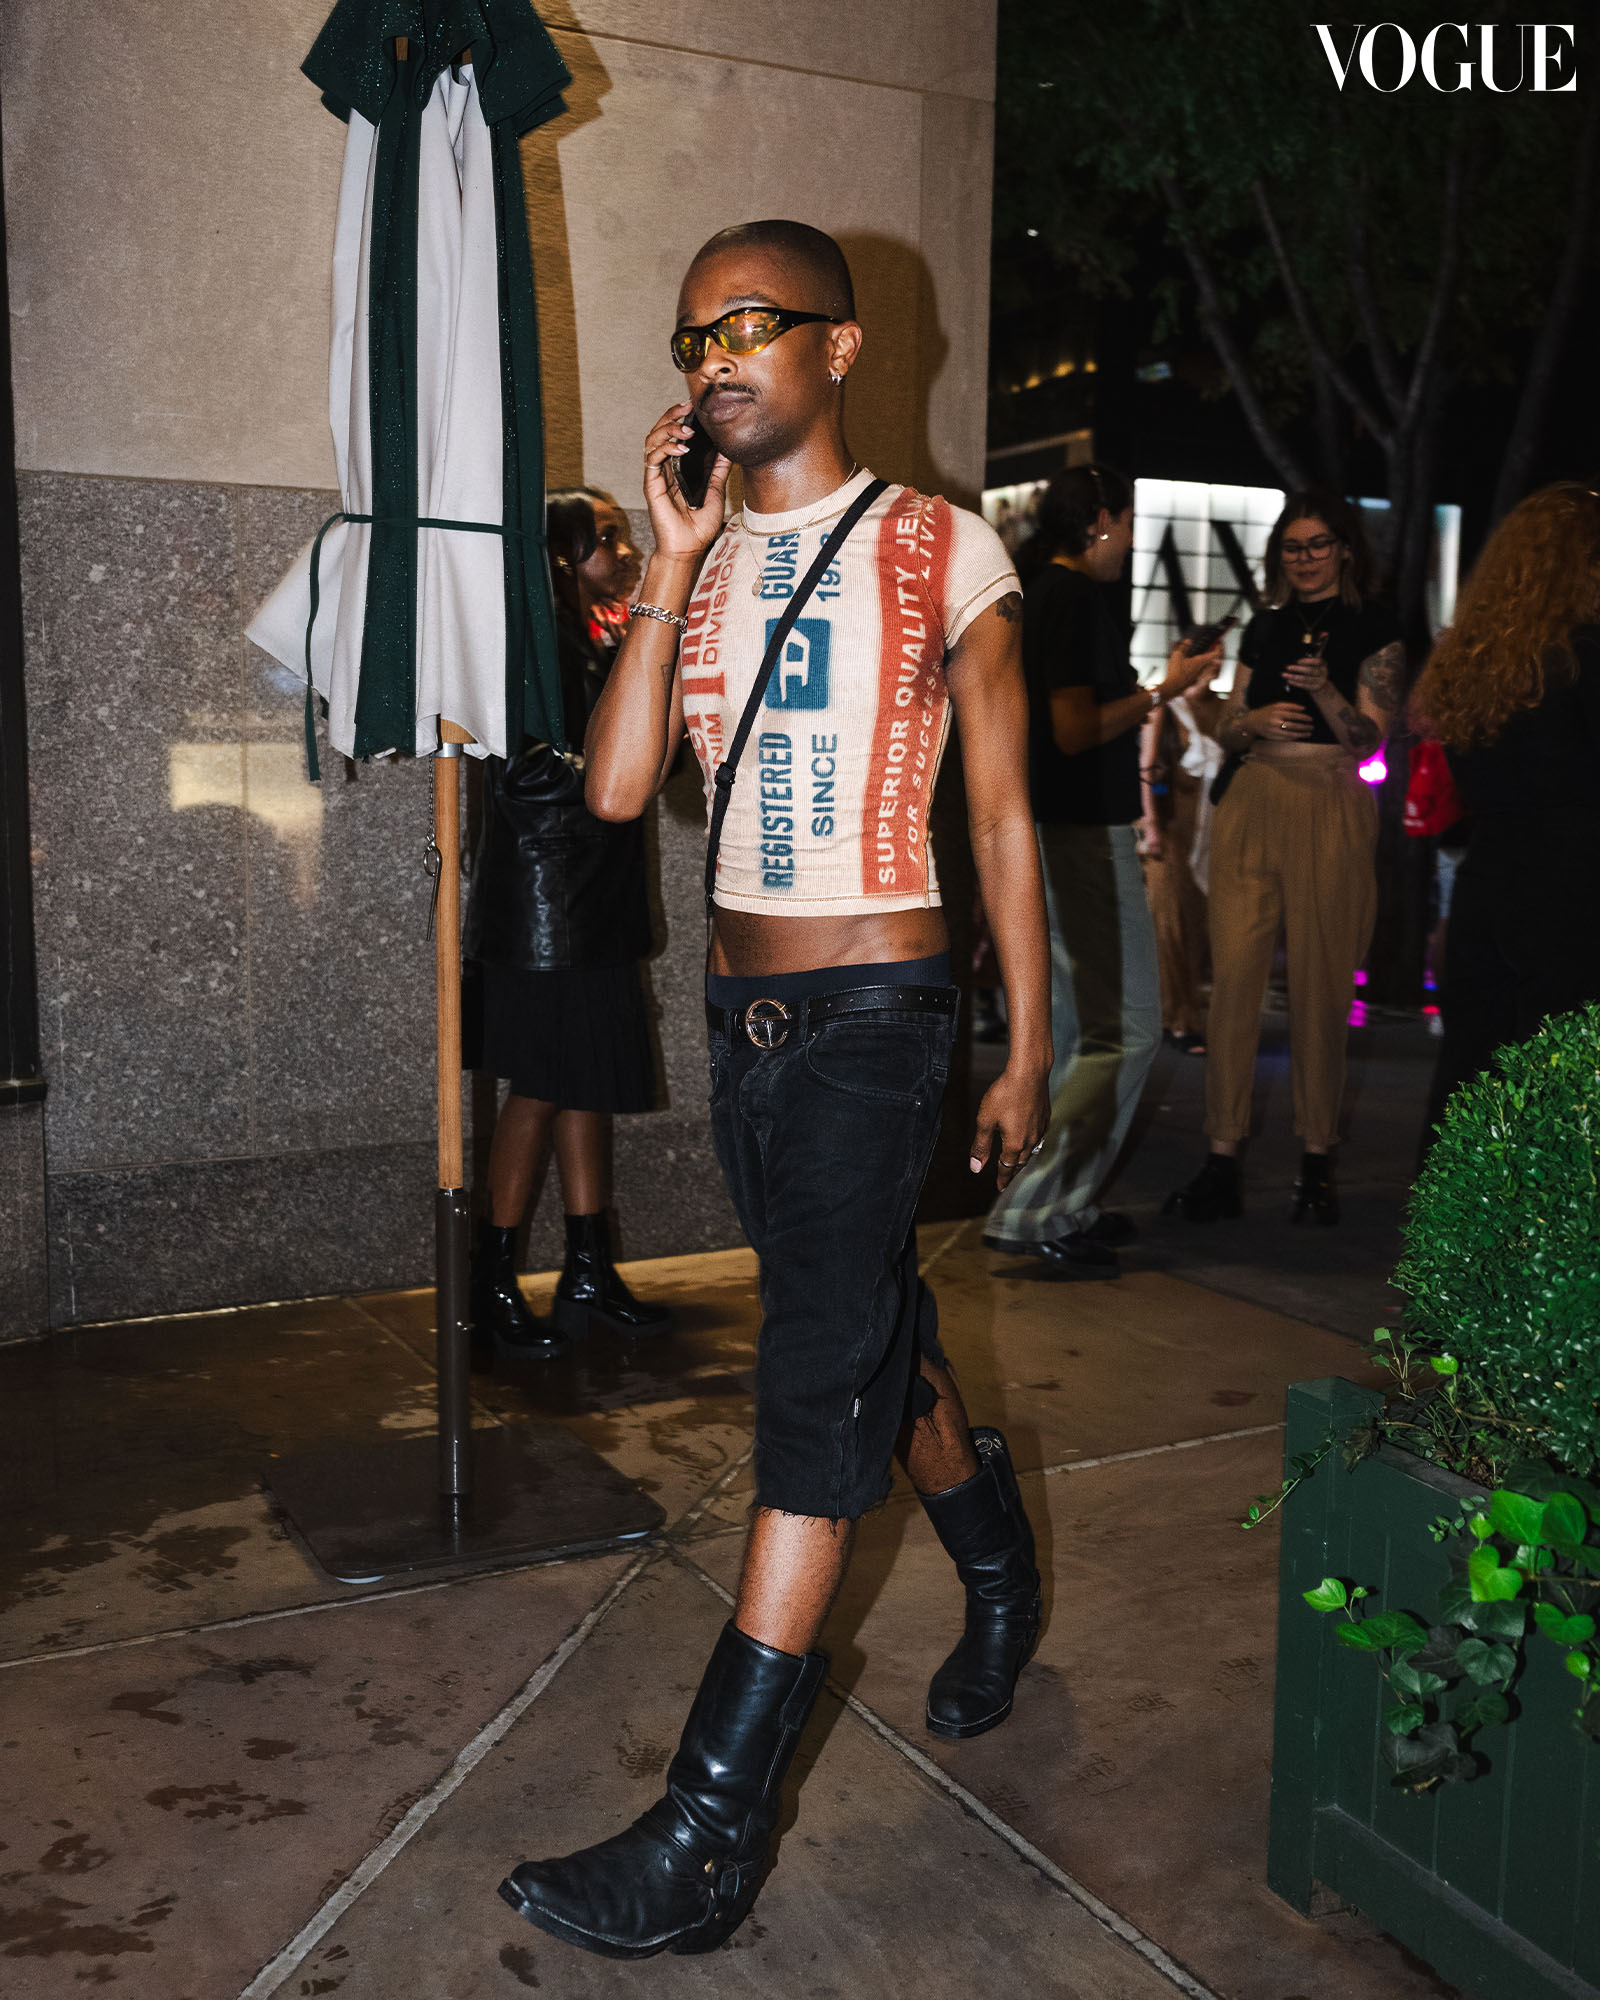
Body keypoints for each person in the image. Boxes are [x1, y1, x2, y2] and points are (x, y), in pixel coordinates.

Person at [496, 220, 1052, 1959]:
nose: (715, 355)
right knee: (861, 1321)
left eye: (752, 323)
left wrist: (1027, 1042)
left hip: (878, 1015)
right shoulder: (707, 558)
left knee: (814, 1370)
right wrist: (665, 564)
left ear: (841, 344)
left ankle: (707, 1831)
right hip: (750, 1027)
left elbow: (1007, 819)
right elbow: (613, 792)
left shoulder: (941, 547)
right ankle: (999, 1563)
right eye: (693, 334)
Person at [982, 466, 1222, 1279]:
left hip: (1050, 829)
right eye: (1126, 521)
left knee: (1084, 1030)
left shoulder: (1036, 592)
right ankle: (1036, 1207)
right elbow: (1077, 730)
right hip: (1081, 831)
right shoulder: (1073, 598)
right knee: (1129, 1029)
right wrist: (1168, 687)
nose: (1129, 538)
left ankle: (1058, 1202)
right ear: (1100, 522)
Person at [464, 487, 672, 1356]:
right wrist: (628, 762)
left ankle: (588, 1264)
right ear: (560, 556)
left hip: (587, 909)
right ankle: (491, 1277)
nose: (625, 554)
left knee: (583, 1081)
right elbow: (528, 775)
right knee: (540, 1090)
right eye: (608, 541)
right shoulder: (536, 644)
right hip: (546, 916)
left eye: (627, 539)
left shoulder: (592, 634)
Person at [1166, 491, 1403, 1225]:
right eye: (1292, 547)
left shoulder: (1377, 626)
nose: (1303, 559)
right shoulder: (1266, 628)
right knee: (1232, 981)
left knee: (1323, 984)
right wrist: (1252, 721)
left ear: (1345, 548)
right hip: (1254, 796)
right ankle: (1221, 1158)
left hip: (1329, 799)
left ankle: (1316, 1159)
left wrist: (1326, 691)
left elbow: (1370, 741)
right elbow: (1231, 721)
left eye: (1317, 544)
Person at [1412, 481, 1600, 1149]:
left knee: (1473, 1066)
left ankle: (1453, 1236)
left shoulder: (1478, 661)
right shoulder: (1583, 652)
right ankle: (1541, 1242)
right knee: (1558, 1075)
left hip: (1489, 881)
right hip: (1573, 889)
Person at [1139, 655, 1226, 1054]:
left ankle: (1185, 1011)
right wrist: (1150, 824)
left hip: (1210, 832)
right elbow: (1146, 768)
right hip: (1172, 828)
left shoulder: (1223, 708)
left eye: (1222, 656)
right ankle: (1175, 1018)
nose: (1217, 662)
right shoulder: (1166, 708)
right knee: (1168, 922)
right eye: (1209, 654)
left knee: (1197, 926)